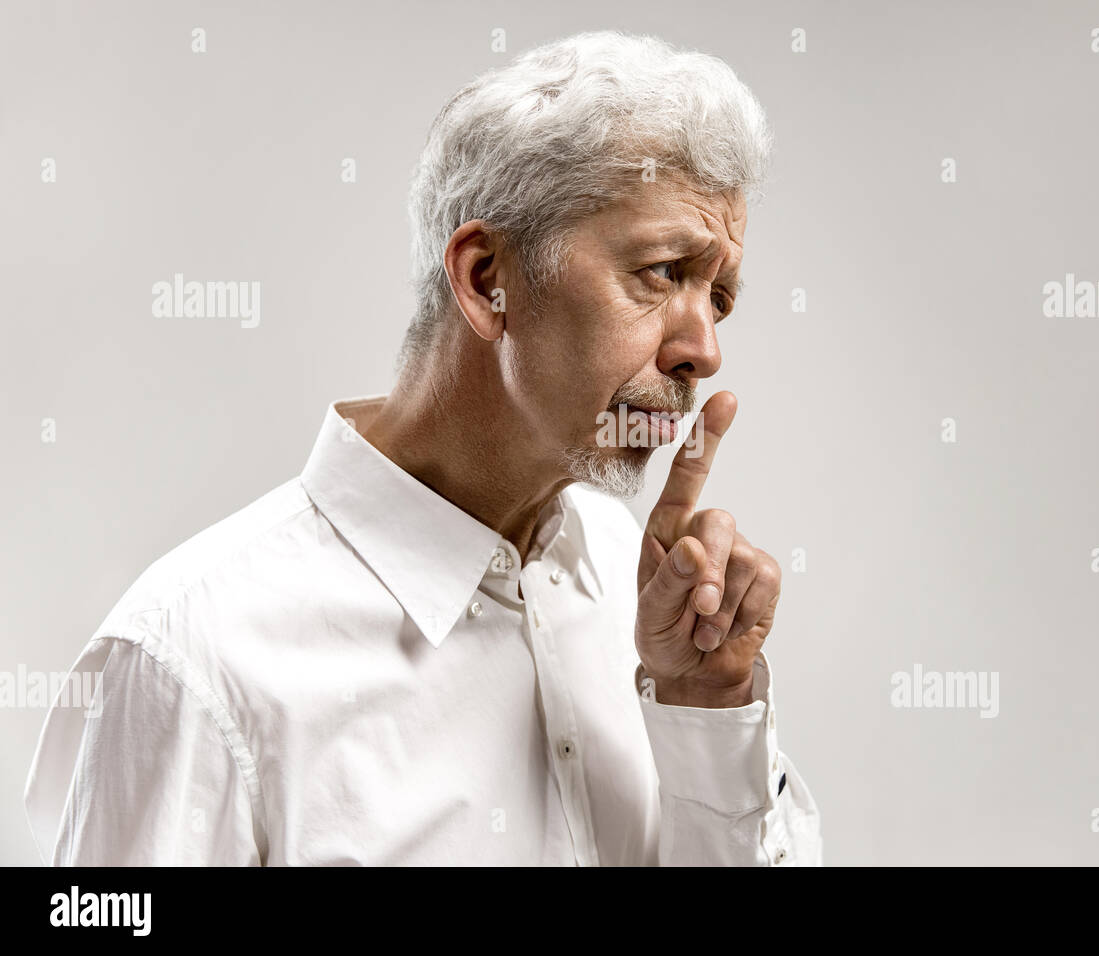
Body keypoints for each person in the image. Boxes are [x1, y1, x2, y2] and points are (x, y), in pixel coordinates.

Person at [24, 29, 823, 866]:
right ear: (486, 279)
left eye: (720, 296)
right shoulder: (191, 658)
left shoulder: (640, 591)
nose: (704, 349)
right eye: (662, 272)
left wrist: (705, 703)